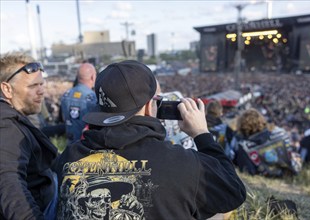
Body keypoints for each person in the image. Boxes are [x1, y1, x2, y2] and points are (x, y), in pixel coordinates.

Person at [55, 60, 246, 219]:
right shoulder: (182, 164)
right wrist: (202, 134)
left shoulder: (68, 156)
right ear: (149, 106)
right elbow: (233, 191)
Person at [0, 52, 58, 219]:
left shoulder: (12, 118)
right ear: (7, 89)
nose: (41, 91)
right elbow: (9, 185)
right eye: (33, 86)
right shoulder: (6, 126)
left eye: (41, 84)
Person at [234, 108, 301, 177]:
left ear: (242, 125)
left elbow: (247, 170)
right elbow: (293, 153)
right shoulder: (280, 132)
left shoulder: (244, 146)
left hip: (266, 176)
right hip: (291, 173)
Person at [60, 62, 98, 144]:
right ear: (93, 77)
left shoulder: (66, 95)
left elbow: (63, 119)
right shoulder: (93, 97)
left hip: (70, 145)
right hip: (86, 146)